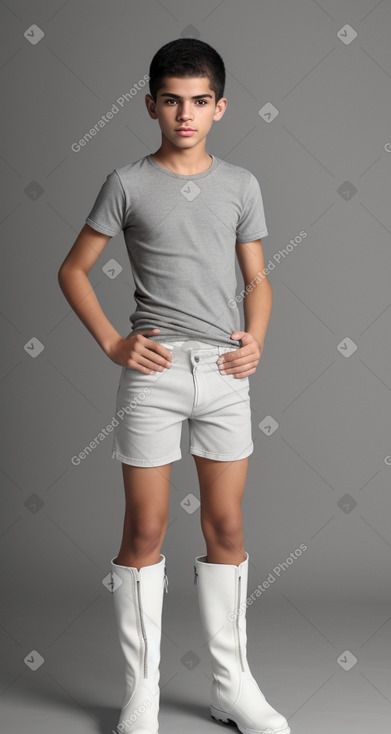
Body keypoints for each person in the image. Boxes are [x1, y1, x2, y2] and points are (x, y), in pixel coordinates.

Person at [58, 37, 290, 734]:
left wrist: (256, 339)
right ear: (151, 104)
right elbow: (73, 270)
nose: (183, 115)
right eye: (170, 101)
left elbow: (257, 281)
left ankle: (232, 687)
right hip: (154, 373)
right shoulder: (126, 182)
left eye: (198, 102)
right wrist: (111, 342)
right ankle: (142, 694)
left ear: (218, 108)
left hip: (222, 372)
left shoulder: (241, 185)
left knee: (226, 525)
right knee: (146, 527)